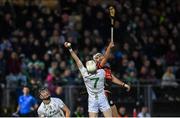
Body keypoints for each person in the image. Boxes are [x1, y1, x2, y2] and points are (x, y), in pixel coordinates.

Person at [64, 42, 112, 117]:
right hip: (102, 97)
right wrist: (109, 47)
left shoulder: (85, 74)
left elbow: (77, 60)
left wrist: (70, 49)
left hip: (92, 100)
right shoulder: (101, 72)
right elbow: (105, 59)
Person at [93, 41, 131, 117]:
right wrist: (109, 47)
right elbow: (106, 57)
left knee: (115, 115)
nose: (100, 57)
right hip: (102, 93)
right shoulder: (97, 66)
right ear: (95, 60)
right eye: (97, 57)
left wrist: (124, 84)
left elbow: (112, 78)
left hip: (108, 92)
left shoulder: (106, 68)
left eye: (100, 56)